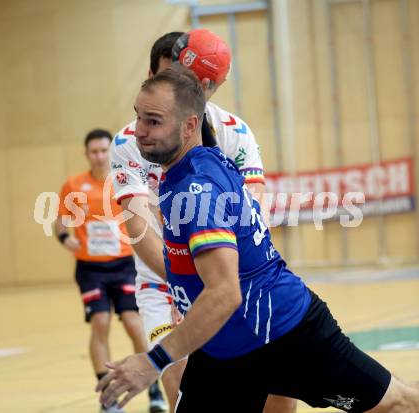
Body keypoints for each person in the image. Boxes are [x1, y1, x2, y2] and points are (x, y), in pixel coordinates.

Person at [97, 67, 419, 413]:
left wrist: (152, 361)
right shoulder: (192, 166)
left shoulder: (198, 190)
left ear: (190, 126)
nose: (139, 131)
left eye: (153, 121)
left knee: (397, 404)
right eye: (138, 117)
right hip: (224, 347)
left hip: (287, 335)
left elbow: (225, 293)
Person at [109, 31, 297, 413]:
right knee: (179, 377)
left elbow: (254, 213)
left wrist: (223, 286)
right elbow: (140, 228)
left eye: (193, 80)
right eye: (171, 77)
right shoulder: (130, 141)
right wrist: (184, 286)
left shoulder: (236, 132)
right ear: (151, 78)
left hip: (235, 277)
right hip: (165, 280)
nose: (181, 87)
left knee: (280, 387)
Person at [55, 129, 167, 413]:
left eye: (104, 150)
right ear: (86, 154)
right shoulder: (73, 185)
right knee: (100, 322)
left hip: (124, 264)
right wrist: (65, 239)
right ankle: (108, 395)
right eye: (94, 151)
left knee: (133, 322)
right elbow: (60, 221)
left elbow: (147, 211)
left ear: (110, 151)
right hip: (91, 268)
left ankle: (154, 387)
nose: (99, 156)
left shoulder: (123, 181)